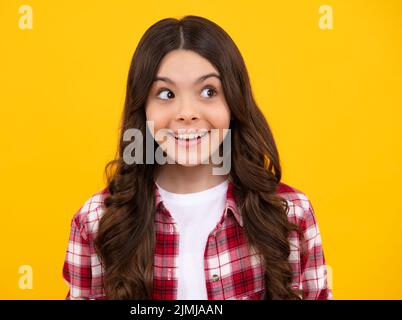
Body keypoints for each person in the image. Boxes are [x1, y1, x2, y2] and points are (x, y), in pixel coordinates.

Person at [62, 15, 332, 300]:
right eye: (166, 93)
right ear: (143, 108)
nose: (187, 112)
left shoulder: (291, 212)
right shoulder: (95, 221)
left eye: (208, 91)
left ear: (233, 103)